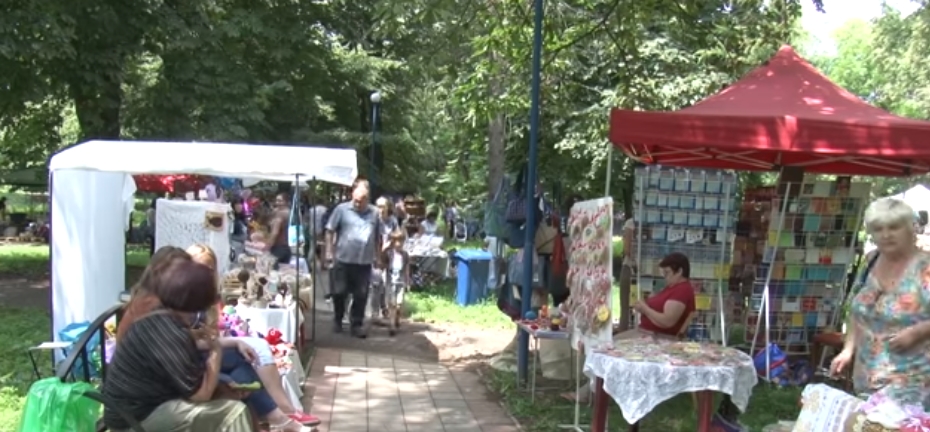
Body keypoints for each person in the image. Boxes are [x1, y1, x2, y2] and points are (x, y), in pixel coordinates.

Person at [104, 258, 255, 431]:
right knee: (234, 412)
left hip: (139, 409)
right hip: (131, 421)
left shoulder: (160, 318)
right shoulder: (169, 331)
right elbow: (201, 395)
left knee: (226, 396)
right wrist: (216, 351)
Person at [186, 244, 320, 426]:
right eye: (200, 269)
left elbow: (207, 337)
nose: (206, 274)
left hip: (204, 351)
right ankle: (282, 415)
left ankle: (279, 417)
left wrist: (227, 341)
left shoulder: (206, 298)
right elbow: (187, 340)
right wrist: (224, 343)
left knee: (246, 361)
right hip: (189, 358)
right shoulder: (182, 297)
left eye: (210, 269)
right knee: (249, 355)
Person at [831, 198, 930, 411]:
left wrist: (919, 332)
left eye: (894, 227)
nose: (886, 235)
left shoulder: (926, 267)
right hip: (867, 375)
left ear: (911, 228)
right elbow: (858, 309)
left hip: (915, 378)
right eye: (878, 229)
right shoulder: (871, 260)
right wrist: (848, 350)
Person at [563, 252, 696, 403]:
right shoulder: (673, 288)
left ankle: (593, 393)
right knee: (604, 348)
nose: (665, 277)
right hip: (647, 333)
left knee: (607, 350)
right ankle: (593, 390)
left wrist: (645, 309)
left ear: (680, 271)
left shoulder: (682, 291)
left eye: (667, 273)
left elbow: (668, 321)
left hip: (657, 338)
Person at [325, 178, 381, 338]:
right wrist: (329, 251)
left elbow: (378, 236)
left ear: (367, 199)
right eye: (355, 200)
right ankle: (337, 319)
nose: (357, 203)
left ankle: (356, 324)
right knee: (339, 292)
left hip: (364, 261)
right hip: (343, 259)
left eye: (361, 201)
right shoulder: (341, 210)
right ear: (352, 196)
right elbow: (329, 230)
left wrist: (378, 256)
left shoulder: (375, 213)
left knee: (361, 294)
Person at [371, 197, 399, 318]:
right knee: (377, 284)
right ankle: (376, 311)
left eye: (383, 206)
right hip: (376, 256)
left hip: (390, 255)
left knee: (389, 284)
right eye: (378, 206)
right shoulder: (373, 220)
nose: (380, 209)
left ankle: (386, 308)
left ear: (388, 207)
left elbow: (398, 236)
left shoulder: (392, 220)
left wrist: (389, 244)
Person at [381, 229, 411, 336]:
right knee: (392, 304)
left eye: (401, 241)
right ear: (393, 242)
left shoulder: (405, 255)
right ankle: (391, 325)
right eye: (396, 241)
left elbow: (407, 268)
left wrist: (407, 282)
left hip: (401, 282)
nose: (399, 244)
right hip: (390, 282)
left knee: (399, 304)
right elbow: (382, 262)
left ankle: (397, 318)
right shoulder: (389, 253)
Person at [618, 216, 636, 331]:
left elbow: (627, 249)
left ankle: (624, 332)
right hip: (633, 268)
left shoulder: (631, 223)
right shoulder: (631, 223)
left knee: (626, 305)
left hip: (630, 267)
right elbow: (627, 249)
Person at [267, 193, 293, 266]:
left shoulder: (281, 214)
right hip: (287, 248)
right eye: (276, 201)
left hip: (278, 247)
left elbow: (275, 233)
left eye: (280, 201)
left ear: (286, 202)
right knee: (283, 273)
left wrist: (267, 247)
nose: (277, 203)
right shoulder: (290, 213)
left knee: (272, 272)